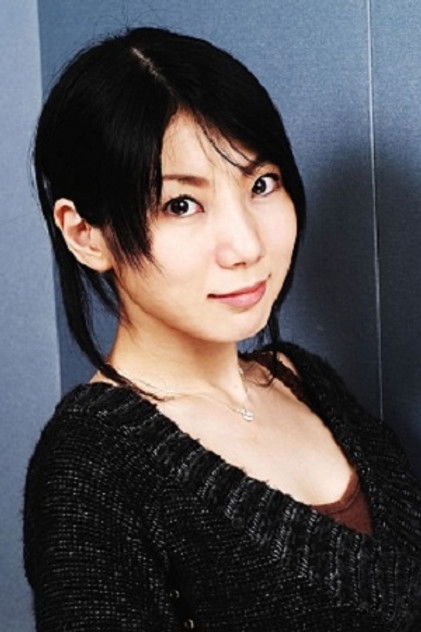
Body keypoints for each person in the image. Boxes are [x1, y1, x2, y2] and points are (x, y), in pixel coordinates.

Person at [23, 27, 421, 631]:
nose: (246, 245)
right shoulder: (91, 472)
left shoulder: (305, 380)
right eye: (181, 205)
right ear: (86, 235)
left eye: (261, 184)